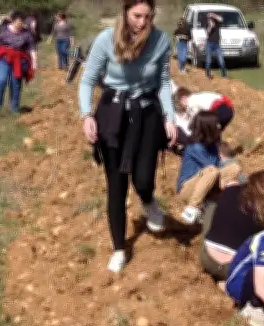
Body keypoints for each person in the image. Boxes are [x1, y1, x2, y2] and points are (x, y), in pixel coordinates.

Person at [78, 0, 178, 273]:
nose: (142, 22)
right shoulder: (105, 40)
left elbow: (164, 82)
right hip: (113, 114)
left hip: (146, 114)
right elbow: (87, 81)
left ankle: (147, 201)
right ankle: (120, 247)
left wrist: (170, 117)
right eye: (136, 16)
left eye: (147, 16)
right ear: (125, 13)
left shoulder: (160, 40)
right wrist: (86, 115)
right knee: (116, 185)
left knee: (144, 179)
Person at [200, 170, 264, 286]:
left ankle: (218, 275)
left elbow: (230, 186)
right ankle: (227, 282)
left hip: (207, 258)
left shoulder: (230, 192)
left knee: (213, 207)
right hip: (234, 269)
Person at [176, 111, 243, 224]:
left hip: (208, 184)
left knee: (234, 168)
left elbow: (219, 167)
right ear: (208, 127)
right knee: (212, 170)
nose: (219, 126)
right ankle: (192, 208)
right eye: (216, 124)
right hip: (188, 189)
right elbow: (212, 169)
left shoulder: (212, 147)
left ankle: (226, 201)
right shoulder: (195, 147)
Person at [0, 10, 37, 114]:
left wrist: (34, 61)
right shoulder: (5, 31)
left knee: (15, 84)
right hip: (4, 59)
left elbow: (32, 48)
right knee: (1, 80)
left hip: (19, 61)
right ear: (13, 21)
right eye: (18, 22)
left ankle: (14, 108)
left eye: (22, 22)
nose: (20, 24)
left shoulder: (27, 34)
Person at [204, 12, 227, 79]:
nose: (210, 20)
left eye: (211, 19)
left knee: (221, 61)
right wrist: (210, 26)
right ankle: (208, 75)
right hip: (209, 44)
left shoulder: (217, 23)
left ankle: (224, 75)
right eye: (209, 19)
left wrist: (213, 15)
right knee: (208, 61)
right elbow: (207, 33)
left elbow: (221, 19)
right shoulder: (207, 25)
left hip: (217, 45)